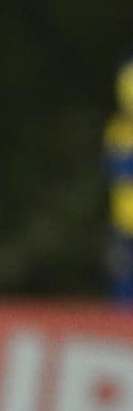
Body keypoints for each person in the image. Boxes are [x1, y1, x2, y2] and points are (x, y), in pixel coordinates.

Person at [104, 55, 133, 309]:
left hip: (123, 219)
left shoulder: (116, 130)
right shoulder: (117, 131)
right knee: (123, 280)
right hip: (123, 221)